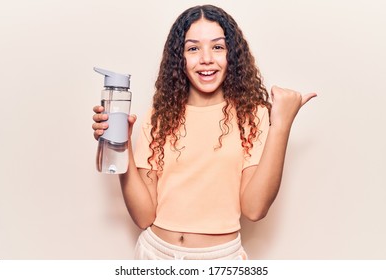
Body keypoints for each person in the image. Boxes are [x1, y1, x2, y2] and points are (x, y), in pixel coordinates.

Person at [92, 5, 316, 260]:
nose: (206, 58)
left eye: (217, 47)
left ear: (232, 54)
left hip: (220, 259)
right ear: (180, 58)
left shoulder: (252, 116)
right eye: (193, 48)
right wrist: (122, 145)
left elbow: (254, 209)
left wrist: (282, 125)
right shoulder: (159, 117)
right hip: (155, 254)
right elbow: (143, 216)